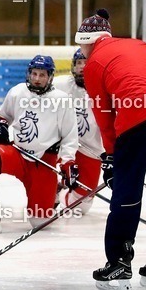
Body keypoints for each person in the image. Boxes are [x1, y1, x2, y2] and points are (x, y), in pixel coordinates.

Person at [75, 9, 146, 290]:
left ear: (88, 42)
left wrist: (112, 157)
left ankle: (119, 264)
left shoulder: (93, 64)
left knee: (127, 194)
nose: (82, 52)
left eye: (81, 46)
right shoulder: (140, 44)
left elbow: (103, 115)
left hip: (138, 120)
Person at [0, 55, 78, 231]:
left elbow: (70, 137)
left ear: (50, 77)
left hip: (44, 161)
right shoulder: (18, 91)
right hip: (18, 154)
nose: (36, 79)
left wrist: (67, 161)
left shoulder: (62, 100)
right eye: (34, 74)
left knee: (39, 222)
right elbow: (2, 116)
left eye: (42, 75)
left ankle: (52, 195)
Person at [52, 49, 104, 214]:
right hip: (62, 145)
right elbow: (29, 94)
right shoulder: (59, 84)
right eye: (78, 63)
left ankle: (61, 192)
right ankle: (50, 187)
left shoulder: (106, 88)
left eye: (86, 63)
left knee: (80, 208)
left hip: (91, 149)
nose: (82, 67)